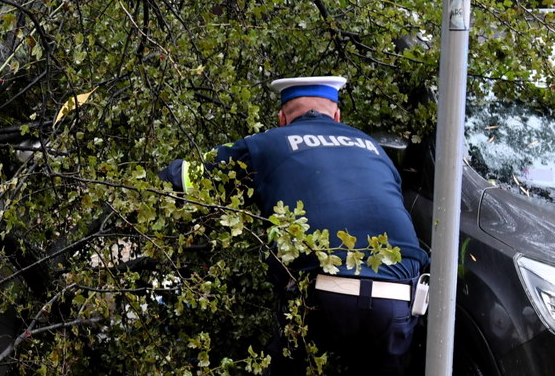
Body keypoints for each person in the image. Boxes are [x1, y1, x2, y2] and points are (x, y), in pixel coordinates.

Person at [159, 75, 428, 375]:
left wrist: (138, 188)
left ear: (282, 118)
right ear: (337, 116)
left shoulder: (267, 143)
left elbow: (188, 180)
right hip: (396, 297)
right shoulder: (372, 147)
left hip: (323, 292)